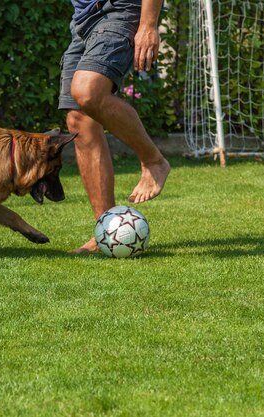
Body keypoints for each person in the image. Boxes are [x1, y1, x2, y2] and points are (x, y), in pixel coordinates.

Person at [58, 0, 171, 254]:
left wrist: (148, 24)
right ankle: (105, 229)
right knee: (79, 120)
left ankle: (154, 160)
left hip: (120, 9)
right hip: (83, 19)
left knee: (87, 90)